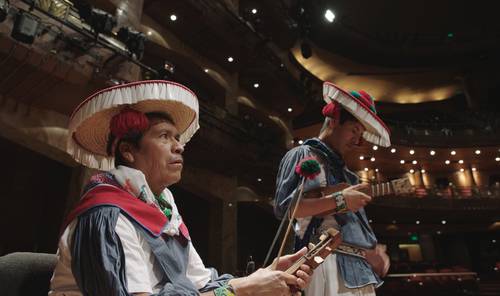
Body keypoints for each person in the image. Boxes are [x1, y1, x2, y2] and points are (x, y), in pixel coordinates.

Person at [49, 80, 312, 296]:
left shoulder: (163, 206)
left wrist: (262, 277)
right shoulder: (106, 216)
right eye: (164, 136)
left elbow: (199, 284)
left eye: (178, 138)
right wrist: (242, 290)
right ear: (128, 151)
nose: (180, 146)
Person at [274, 82, 391, 295]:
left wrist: (371, 250)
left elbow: (355, 226)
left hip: (358, 269)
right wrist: (340, 200)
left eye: (361, 134)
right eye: (354, 130)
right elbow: (288, 208)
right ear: (335, 120)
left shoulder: (350, 175)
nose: (357, 140)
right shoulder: (303, 154)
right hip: (323, 261)